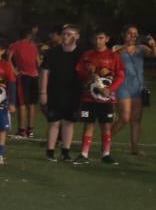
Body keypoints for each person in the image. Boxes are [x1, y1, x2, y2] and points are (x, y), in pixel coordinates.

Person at [74, 29, 124, 165]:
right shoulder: (87, 55)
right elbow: (80, 74)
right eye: (95, 38)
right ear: (91, 39)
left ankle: (106, 154)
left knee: (106, 126)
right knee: (88, 124)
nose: (98, 41)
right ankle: (84, 154)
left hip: (106, 98)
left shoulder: (114, 56)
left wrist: (110, 89)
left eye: (101, 38)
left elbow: (120, 75)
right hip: (88, 98)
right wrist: (89, 75)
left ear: (107, 39)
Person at [40, 25, 82, 162]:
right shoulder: (54, 52)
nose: (66, 37)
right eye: (64, 34)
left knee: (69, 122)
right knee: (54, 122)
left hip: (73, 93)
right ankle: (50, 151)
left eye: (70, 34)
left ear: (77, 36)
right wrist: (43, 92)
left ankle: (65, 151)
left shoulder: (81, 54)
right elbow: (45, 72)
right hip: (54, 92)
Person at [113, 26, 154, 156]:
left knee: (136, 119)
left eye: (135, 34)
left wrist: (153, 45)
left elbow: (153, 54)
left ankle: (134, 148)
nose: (133, 36)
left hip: (138, 87)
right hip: (122, 86)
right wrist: (127, 45)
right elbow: (113, 55)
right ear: (123, 34)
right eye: (130, 33)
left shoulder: (141, 48)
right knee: (124, 118)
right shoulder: (116, 47)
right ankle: (106, 141)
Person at [7, 26, 41, 139]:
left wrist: (14, 71)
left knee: (22, 104)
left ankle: (22, 131)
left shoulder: (15, 45)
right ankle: (30, 130)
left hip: (24, 76)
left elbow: (8, 59)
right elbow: (38, 61)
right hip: (35, 76)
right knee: (32, 104)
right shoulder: (34, 46)